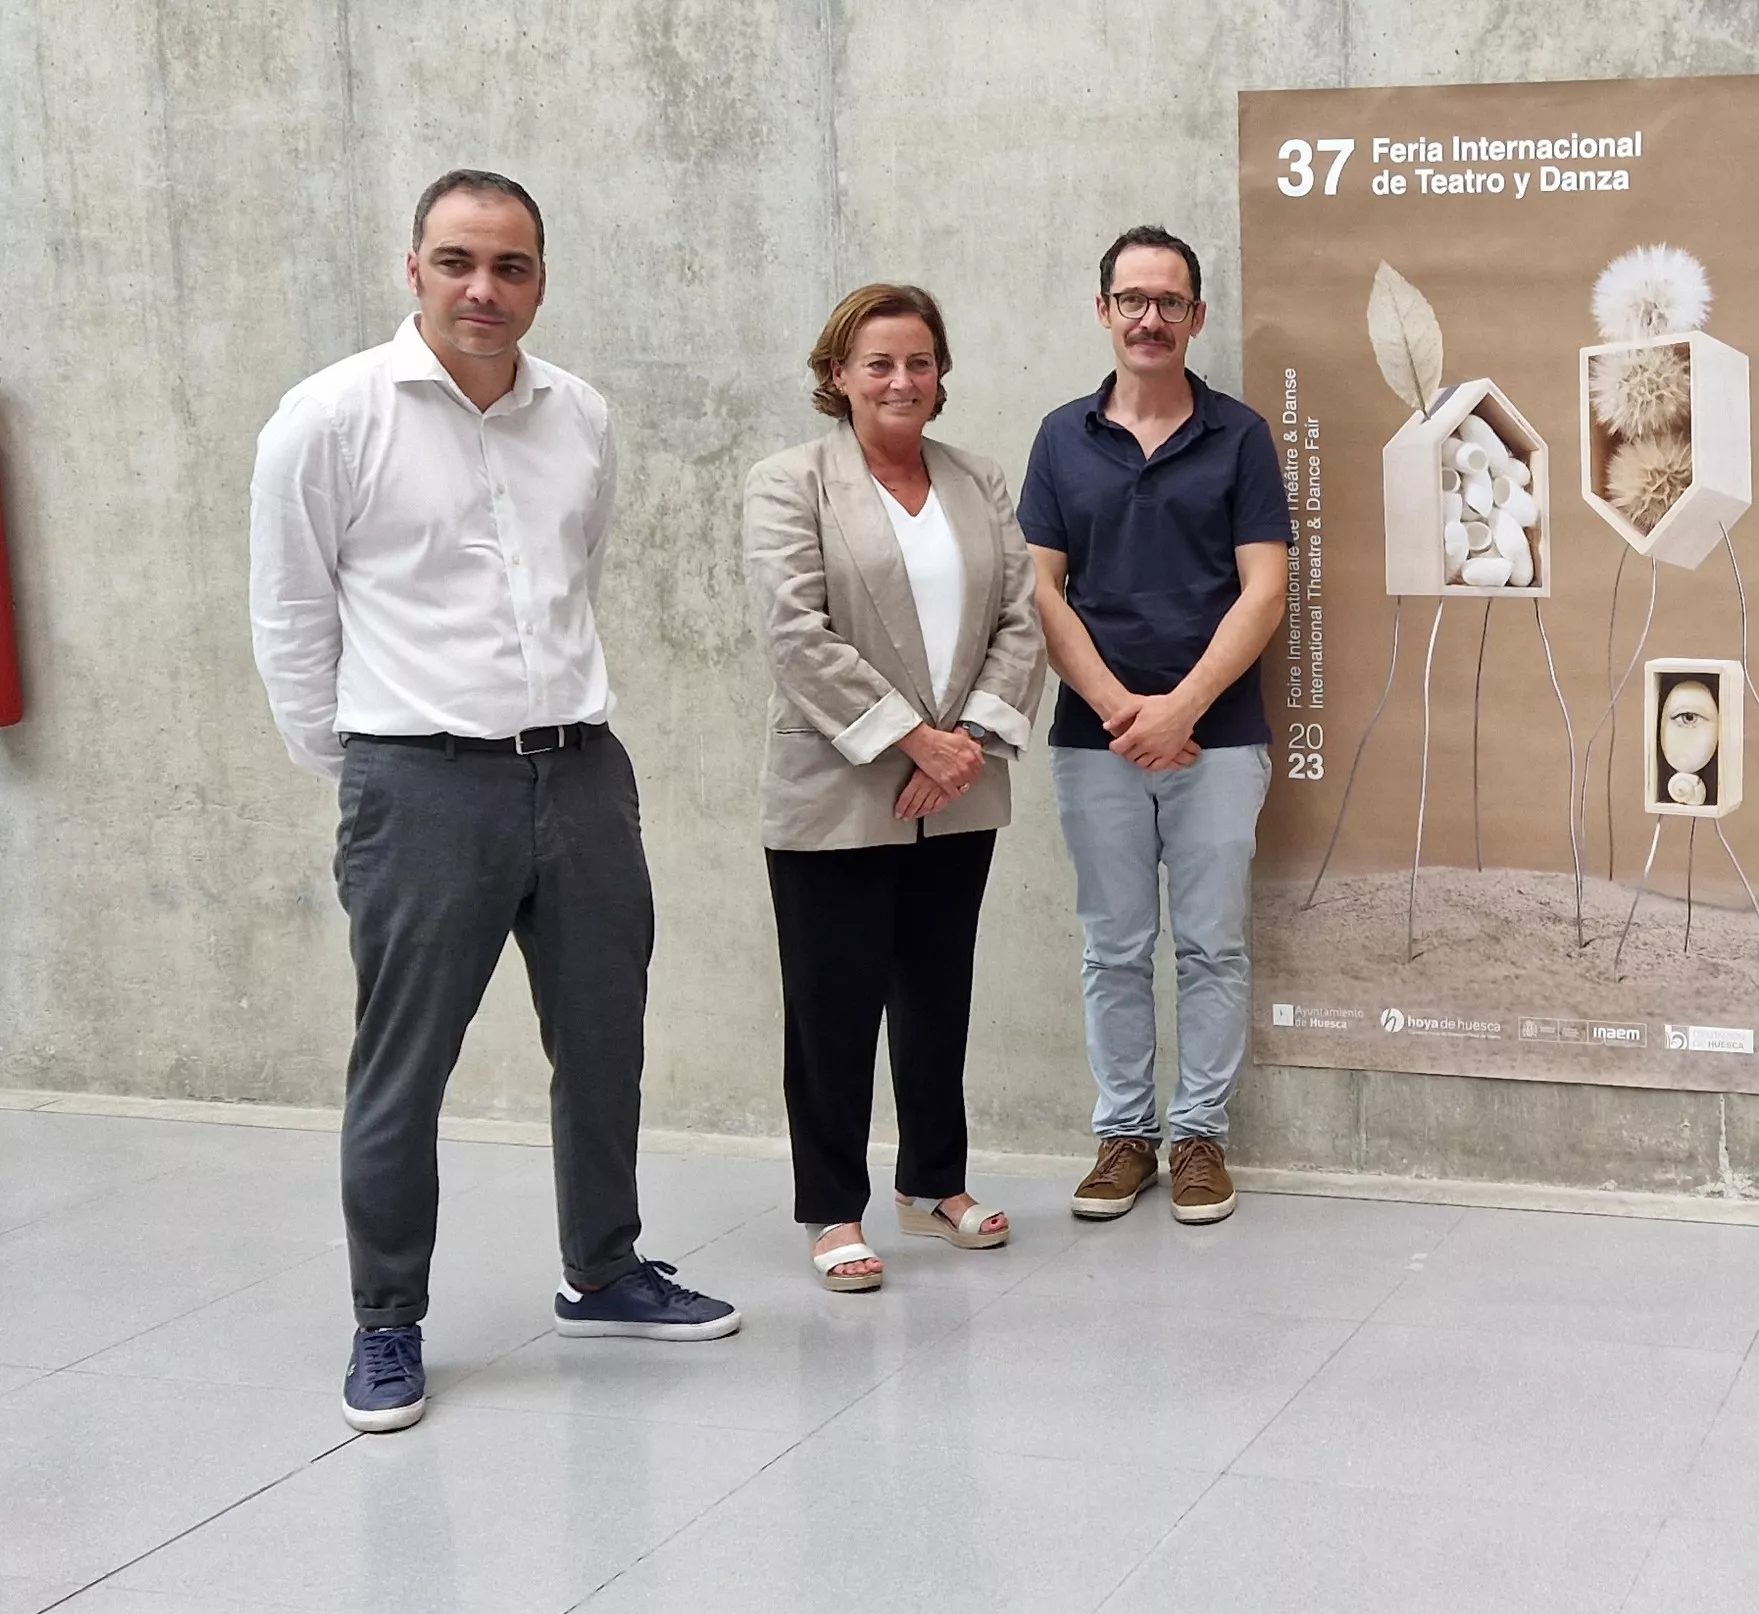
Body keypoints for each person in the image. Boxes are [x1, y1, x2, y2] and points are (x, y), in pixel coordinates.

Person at [248, 170, 739, 1435]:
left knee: (605, 1040)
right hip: (419, 780)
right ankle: (386, 1321)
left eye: (511, 266)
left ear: (540, 278)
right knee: (402, 1070)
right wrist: (371, 767)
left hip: (580, 771)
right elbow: (292, 621)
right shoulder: (328, 417)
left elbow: (576, 577)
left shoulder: (578, 415)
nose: (485, 288)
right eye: (459, 260)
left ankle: (604, 1269)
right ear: (412, 266)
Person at [740, 284, 1048, 1292]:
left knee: (936, 993)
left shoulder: (979, 482)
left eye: (919, 362)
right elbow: (795, 633)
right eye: (878, 363)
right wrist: (914, 742)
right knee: (832, 1009)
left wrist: (962, 747)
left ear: (941, 374)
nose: (901, 381)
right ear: (837, 375)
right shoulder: (790, 484)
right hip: (838, 786)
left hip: (959, 785)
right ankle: (833, 1209)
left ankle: (932, 1187)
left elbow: (1021, 619)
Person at [1020, 225, 1291, 1225]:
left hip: (1217, 738)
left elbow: (1264, 592)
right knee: (1114, 945)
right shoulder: (1060, 438)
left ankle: (1201, 1138)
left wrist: (1180, 710)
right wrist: (1118, 710)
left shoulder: (1240, 436)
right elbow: (1042, 591)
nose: (1149, 318)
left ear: (1195, 318)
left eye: (1168, 302)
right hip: (1096, 740)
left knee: (1214, 945)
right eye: (1131, 299)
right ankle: (1125, 1134)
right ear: (1103, 312)